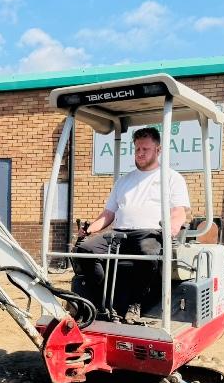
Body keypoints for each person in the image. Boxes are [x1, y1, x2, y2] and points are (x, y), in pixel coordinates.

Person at [74, 126, 190, 321]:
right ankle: (107, 300)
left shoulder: (172, 178)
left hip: (150, 233)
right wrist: (88, 229)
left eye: (145, 149)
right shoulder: (123, 181)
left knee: (147, 252)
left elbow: (179, 212)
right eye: (137, 149)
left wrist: (173, 226)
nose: (140, 153)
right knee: (85, 250)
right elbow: (109, 213)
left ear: (158, 150)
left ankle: (135, 303)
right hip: (119, 234)